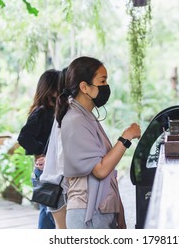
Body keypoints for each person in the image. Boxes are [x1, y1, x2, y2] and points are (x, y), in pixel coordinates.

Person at [56, 56, 141, 229]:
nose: (106, 86)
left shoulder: (87, 117)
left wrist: (119, 212)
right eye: (102, 81)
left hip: (100, 211)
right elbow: (101, 170)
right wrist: (126, 137)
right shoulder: (75, 120)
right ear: (84, 87)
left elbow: (108, 173)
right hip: (87, 213)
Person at [17, 69, 62, 229]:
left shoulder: (52, 111)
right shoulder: (41, 112)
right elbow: (23, 137)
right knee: (48, 212)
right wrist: (44, 152)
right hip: (44, 171)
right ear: (52, 87)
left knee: (49, 211)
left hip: (47, 169)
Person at [39, 67, 68, 229]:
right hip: (54, 179)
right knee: (46, 216)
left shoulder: (60, 111)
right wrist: (40, 153)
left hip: (52, 175)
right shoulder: (43, 112)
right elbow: (24, 138)